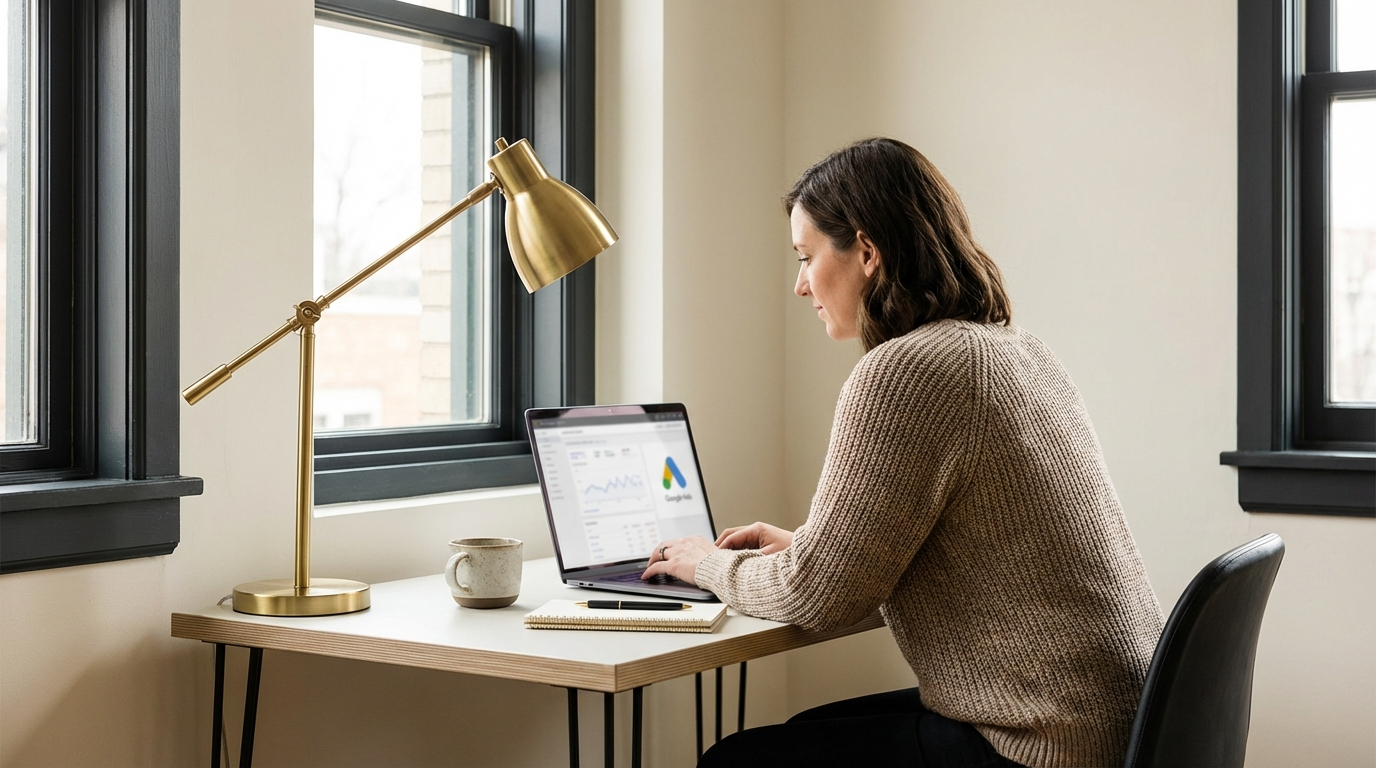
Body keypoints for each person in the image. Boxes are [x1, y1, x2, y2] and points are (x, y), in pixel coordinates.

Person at [641, 137, 1165, 768]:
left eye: (806, 257)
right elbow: (940, 562)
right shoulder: (1017, 351)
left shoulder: (906, 373)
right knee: (807, 730)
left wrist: (704, 565)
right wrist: (812, 550)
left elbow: (816, 599)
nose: (800, 285)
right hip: (1122, 724)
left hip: (1041, 745)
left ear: (866, 251)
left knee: (740, 760)